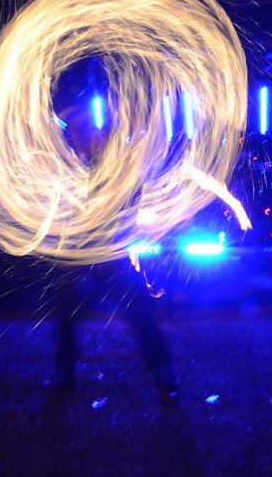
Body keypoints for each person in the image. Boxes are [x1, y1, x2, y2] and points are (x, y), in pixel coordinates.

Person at [46, 122, 177, 405]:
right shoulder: (85, 174)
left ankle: (163, 374)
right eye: (84, 138)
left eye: (93, 138)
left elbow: (126, 209)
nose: (87, 143)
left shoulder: (120, 176)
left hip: (112, 262)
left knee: (142, 318)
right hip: (85, 262)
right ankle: (64, 373)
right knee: (67, 317)